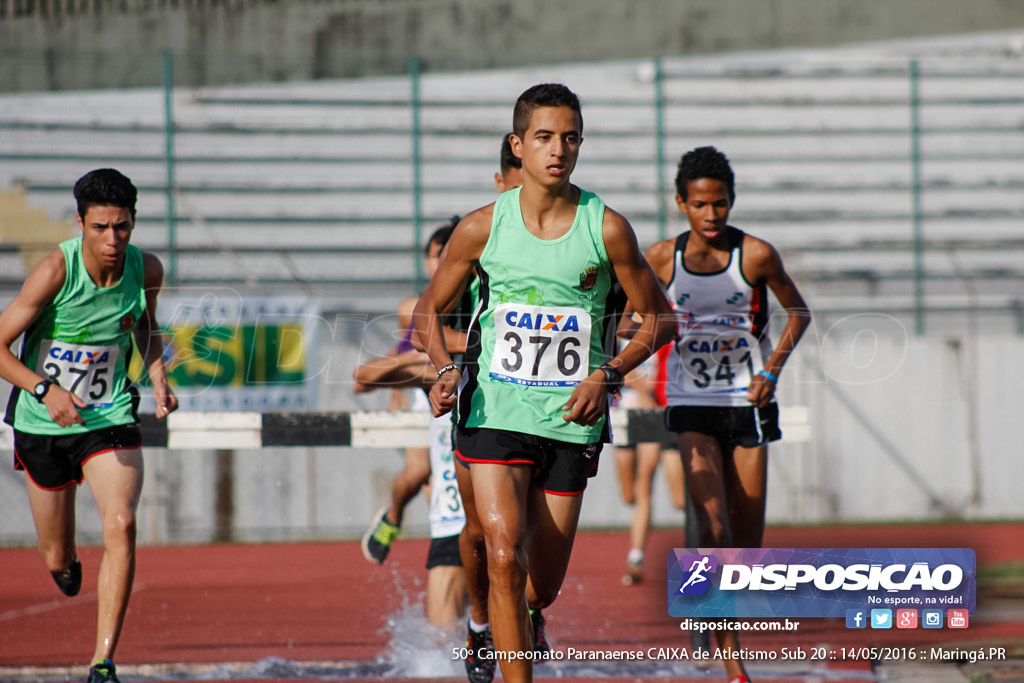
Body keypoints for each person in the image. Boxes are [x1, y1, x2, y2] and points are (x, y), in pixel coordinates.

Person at [412, 84, 674, 683]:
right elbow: (429, 310)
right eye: (544, 137)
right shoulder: (482, 228)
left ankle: (513, 622)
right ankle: (493, 640)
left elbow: (660, 319)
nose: (558, 149)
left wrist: (607, 374)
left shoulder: (605, 229)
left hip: (568, 421)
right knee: (502, 555)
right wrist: (447, 368)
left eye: (570, 138)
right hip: (492, 409)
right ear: (518, 145)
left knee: (540, 587)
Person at [640, 146, 811, 683]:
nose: (711, 215)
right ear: (680, 204)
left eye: (719, 204)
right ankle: (731, 657)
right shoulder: (662, 258)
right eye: (699, 205)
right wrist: (640, 338)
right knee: (712, 524)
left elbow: (799, 312)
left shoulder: (756, 255)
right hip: (691, 404)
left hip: (748, 404)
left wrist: (772, 371)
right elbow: (629, 317)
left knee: (745, 544)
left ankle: (718, 616)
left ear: (732, 201)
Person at [0, 169, 178, 683]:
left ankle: (102, 662)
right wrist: (45, 389)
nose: (113, 240)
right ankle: (65, 562)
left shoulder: (146, 268)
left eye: (122, 227)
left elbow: (145, 323)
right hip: (44, 423)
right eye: (100, 227)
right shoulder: (56, 269)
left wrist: (159, 375)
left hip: (109, 417)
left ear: (133, 222)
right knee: (58, 559)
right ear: (80, 222)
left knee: (121, 523)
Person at [357, 219, 459, 566]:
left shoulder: (471, 297)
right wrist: (399, 381)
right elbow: (405, 349)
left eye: (446, 255)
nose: (438, 263)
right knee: (419, 473)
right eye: (433, 256)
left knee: (443, 489)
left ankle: (451, 572)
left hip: (461, 392)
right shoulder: (413, 307)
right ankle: (394, 516)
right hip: (425, 397)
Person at [612, 342, 685, 585]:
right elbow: (617, 366)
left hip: (653, 414)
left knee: (645, 483)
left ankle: (636, 558)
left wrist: (650, 394)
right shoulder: (619, 326)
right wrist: (640, 390)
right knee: (628, 496)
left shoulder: (658, 327)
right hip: (623, 414)